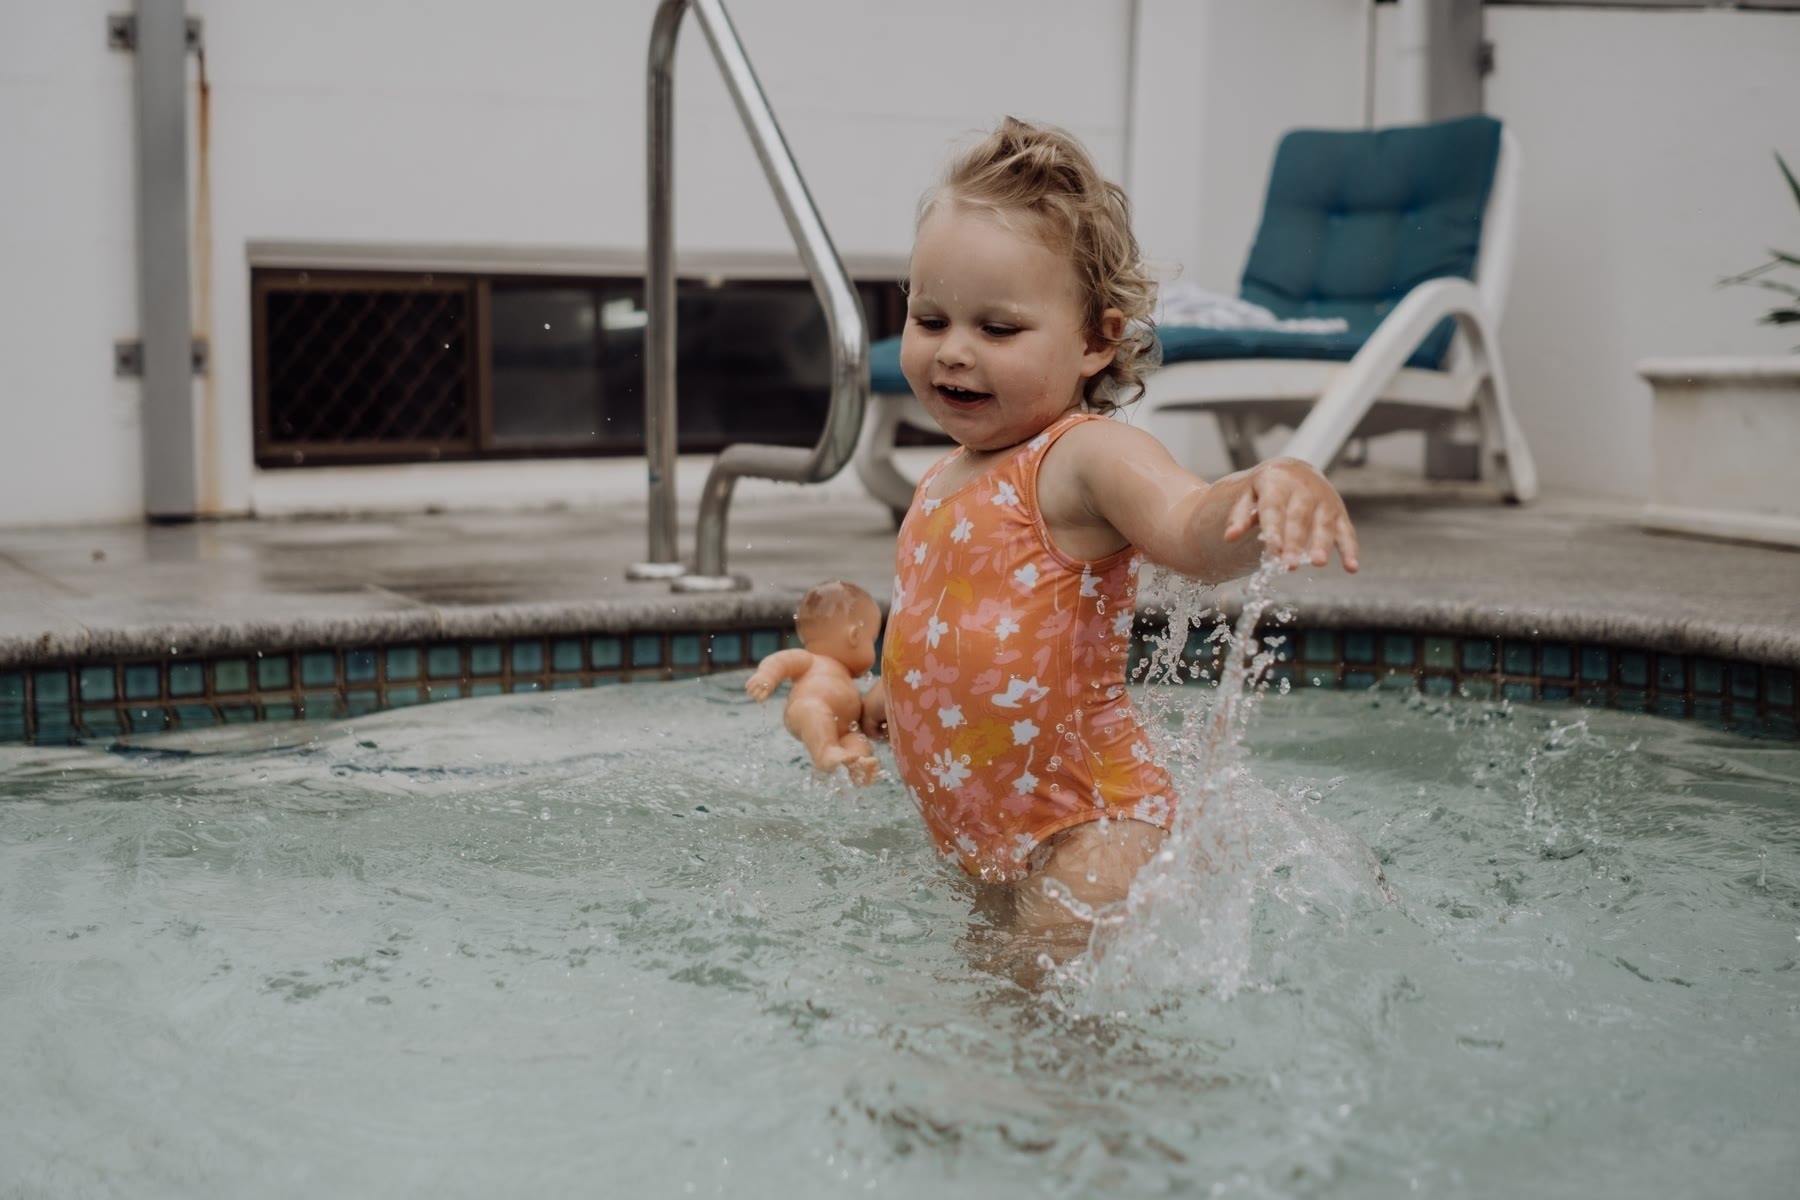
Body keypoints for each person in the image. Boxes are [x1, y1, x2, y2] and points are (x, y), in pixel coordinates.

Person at [860, 117, 1360, 943]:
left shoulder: (1082, 456)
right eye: (930, 319)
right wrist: (893, 694)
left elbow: (1189, 527)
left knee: (1045, 1009)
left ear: (1098, 339)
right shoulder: (940, 477)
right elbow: (951, 625)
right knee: (1010, 1006)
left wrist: (1266, 487)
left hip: (1094, 830)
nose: (953, 352)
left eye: (997, 329)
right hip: (995, 842)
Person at [746, 580, 882, 785]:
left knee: (857, 741)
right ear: (854, 636)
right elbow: (781, 661)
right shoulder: (810, 660)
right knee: (814, 709)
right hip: (804, 711)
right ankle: (824, 752)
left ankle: (858, 766)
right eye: (871, 640)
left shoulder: (845, 677)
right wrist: (766, 676)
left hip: (845, 729)